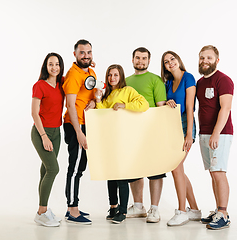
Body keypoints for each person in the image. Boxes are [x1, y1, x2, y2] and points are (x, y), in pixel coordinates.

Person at [95, 64, 149, 224]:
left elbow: (144, 105)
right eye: (110, 75)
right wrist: (98, 98)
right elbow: (100, 114)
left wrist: (125, 105)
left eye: (115, 75)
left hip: (124, 140)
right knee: (110, 175)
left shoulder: (128, 91)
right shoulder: (107, 96)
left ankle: (123, 211)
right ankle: (114, 207)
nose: (112, 78)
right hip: (109, 140)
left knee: (121, 175)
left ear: (121, 76)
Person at [125, 47, 167, 223]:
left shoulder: (155, 79)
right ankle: (138, 206)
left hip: (152, 132)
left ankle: (155, 209)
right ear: (132, 60)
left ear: (149, 61)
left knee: (155, 171)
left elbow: (161, 107)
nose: (140, 61)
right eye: (137, 58)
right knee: (134, 169)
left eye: (144, 58)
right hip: (131, 132)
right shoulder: (125, 81)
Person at [161, 51, 202, 226]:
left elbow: (190, 108)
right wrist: (168, 103)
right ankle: (194, 210)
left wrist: (189, 135)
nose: (170, 63)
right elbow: (164, 106)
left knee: (176, 167)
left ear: (178, 60)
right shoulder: (168, 83)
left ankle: (182, 211)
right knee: (179, 170)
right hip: (172, 127)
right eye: (166, 62)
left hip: (186, 125)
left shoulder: (189, 78)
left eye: (172, 59)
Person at [196, 45, 234, 230]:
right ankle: (218, 210)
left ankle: (224, 214)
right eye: (202, 57)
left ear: (217, 60)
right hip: (204, 133)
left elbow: (225, 108)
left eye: (209, 58)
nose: (205, 61)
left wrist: (216, 133)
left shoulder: (224, 80)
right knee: (213, 172)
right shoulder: (200, 82)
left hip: (220, 133)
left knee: (219, 172)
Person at [62, 39, 96, 225]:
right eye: (82, 52)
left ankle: (72, 206)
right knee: (74, 168)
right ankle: (72, 210)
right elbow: (70, 105)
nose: (86, 56)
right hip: (75, 125)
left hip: (86, 124)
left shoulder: (90, 72)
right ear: (75, 54)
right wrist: (79, 132)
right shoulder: (73, 75)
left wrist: (94, 102)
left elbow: (94, 91)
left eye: (89, 52)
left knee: (80, 166)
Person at [31, 53, 65, 227]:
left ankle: (43, 211)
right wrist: (44, 136)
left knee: (45, 170)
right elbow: (34, 113)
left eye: (57, 64)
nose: (54, 67)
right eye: (50, 64)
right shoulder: (39, 85)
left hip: (56, 132)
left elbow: (81, 79)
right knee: (53, 169)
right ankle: (41, 212)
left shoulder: (61, 84)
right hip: (41, 132)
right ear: (45, 66)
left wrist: (91, 67)